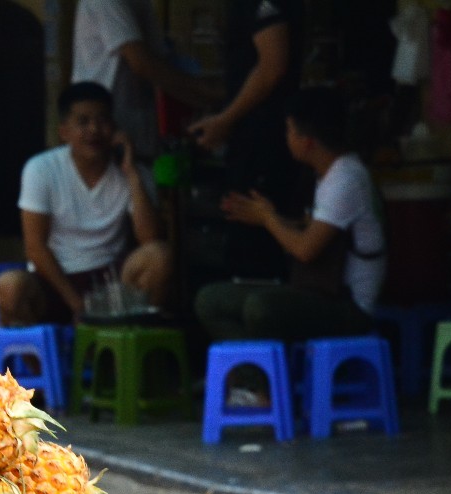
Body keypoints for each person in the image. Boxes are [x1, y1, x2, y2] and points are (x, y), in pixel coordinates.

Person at [195, 85, 384, 342]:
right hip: (316, 293)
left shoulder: (346, 179)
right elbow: (316, 229)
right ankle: (254, 376)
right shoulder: (327, 174)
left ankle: (271, 377)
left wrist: (269, 219)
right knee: (210, 301)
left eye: (289, 131)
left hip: (348, 307)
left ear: (307, 142)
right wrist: (265, 218)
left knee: (261, 308)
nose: (286, 138)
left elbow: (306, 249)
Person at [0, 82, 171, 327]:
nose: (94, 130)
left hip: (111, 284)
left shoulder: (132, 174)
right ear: (64, 131)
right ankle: (41, 366)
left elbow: (150, 238)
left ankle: (128, 350)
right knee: (9, 286)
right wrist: (78, 305)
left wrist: (131, 173)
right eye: (83, 122)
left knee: (160, 256)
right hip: (57, 281)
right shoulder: (41, 169)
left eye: (102, 121)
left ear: (114, 128)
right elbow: (35, 248)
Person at [187, 0, 298, 276]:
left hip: (265, 145)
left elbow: (273, 64)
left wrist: (225, 120)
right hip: (249, 140)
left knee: (255, 252)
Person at [72, 0, 214, 163]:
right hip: (107, 127)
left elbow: (160, 64)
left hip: (137, 128)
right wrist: (215, 96)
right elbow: (142, 64)